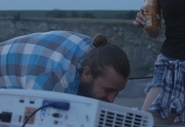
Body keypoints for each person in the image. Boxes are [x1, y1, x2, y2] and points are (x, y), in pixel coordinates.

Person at [0, 30, 130, 103]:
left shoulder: (96, 52)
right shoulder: (53, 80)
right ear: (87, 73)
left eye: (118, 92)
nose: (112, 99)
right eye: (108, 90)